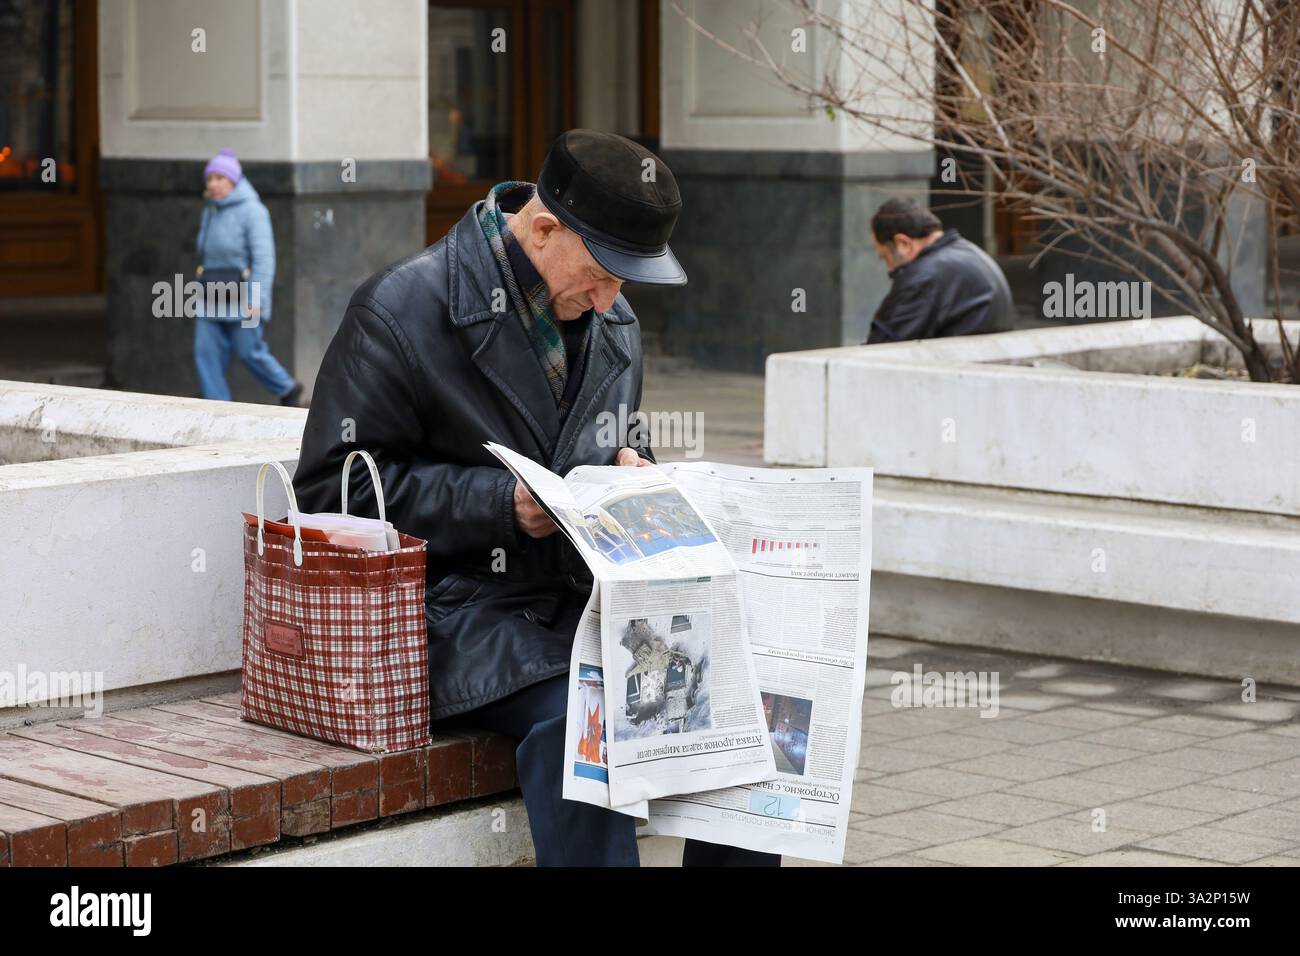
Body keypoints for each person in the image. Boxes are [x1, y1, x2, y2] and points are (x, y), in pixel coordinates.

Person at [292, 130, 780, 868]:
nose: (613, 299)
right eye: (603, 274)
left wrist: (635, 469)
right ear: (544, 228)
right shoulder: (401, 307)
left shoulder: (609, 315)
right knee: (583, 722)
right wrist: (501, 506)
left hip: (590, 603)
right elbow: (333, 488)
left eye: (627, 280)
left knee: (742, 705)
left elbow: (612, 434)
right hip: (456, 611)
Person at [194, 148, 303, 405]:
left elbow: (265, 259)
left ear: (234, 180)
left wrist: (257, 300)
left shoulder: (254, 212)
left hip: (243, 296)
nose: (213, 185)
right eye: (210, 179)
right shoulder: (210, 210)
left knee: (249, 351)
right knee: (205, 352)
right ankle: (217, 408)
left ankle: (287, 389)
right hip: (210, 292)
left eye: (220, 178)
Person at [865, 196, 1015, 344]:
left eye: (885, 257)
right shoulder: (971, 253)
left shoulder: (923, 277)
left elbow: (880, 349)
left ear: (903, 244)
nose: (890, 269)